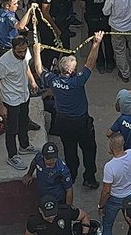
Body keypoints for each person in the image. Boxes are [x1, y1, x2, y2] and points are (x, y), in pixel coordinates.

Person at [31, 33, 102, 188]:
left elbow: (38, 69)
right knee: (89, 150)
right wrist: (96, 44)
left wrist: (36, 51)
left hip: (63, 122)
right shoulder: (78, 82)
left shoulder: (53, 81)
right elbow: (90, 63)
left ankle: (72, 174)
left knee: (69, 149)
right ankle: (89, 178)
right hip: (81, 122)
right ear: (71, 70)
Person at [0, 35, 38, 171]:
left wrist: (32, 81)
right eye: (19, 52)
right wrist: (0, 106)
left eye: (24, 50)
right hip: (11, 100)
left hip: (24, 96)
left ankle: (24, 146)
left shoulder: (25, 54)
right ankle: (12, 156)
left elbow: (26, 67)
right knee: (12, 130)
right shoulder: (4, 63)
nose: (22, 54)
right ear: (13, 49)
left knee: (24, 122)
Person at [97, 133, 131, 235]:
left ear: (111, 146)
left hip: (115, 198)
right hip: (130, 194)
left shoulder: (110, 166)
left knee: (107, 225)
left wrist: (101, 206)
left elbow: (106, 191)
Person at [24, 194, 93, 235]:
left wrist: (85, 233)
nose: (51, 218)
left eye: (53, 213)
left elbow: (84, 216)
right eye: (47, 215)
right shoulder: (34, 221)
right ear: (40, 210)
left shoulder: (66, 211)